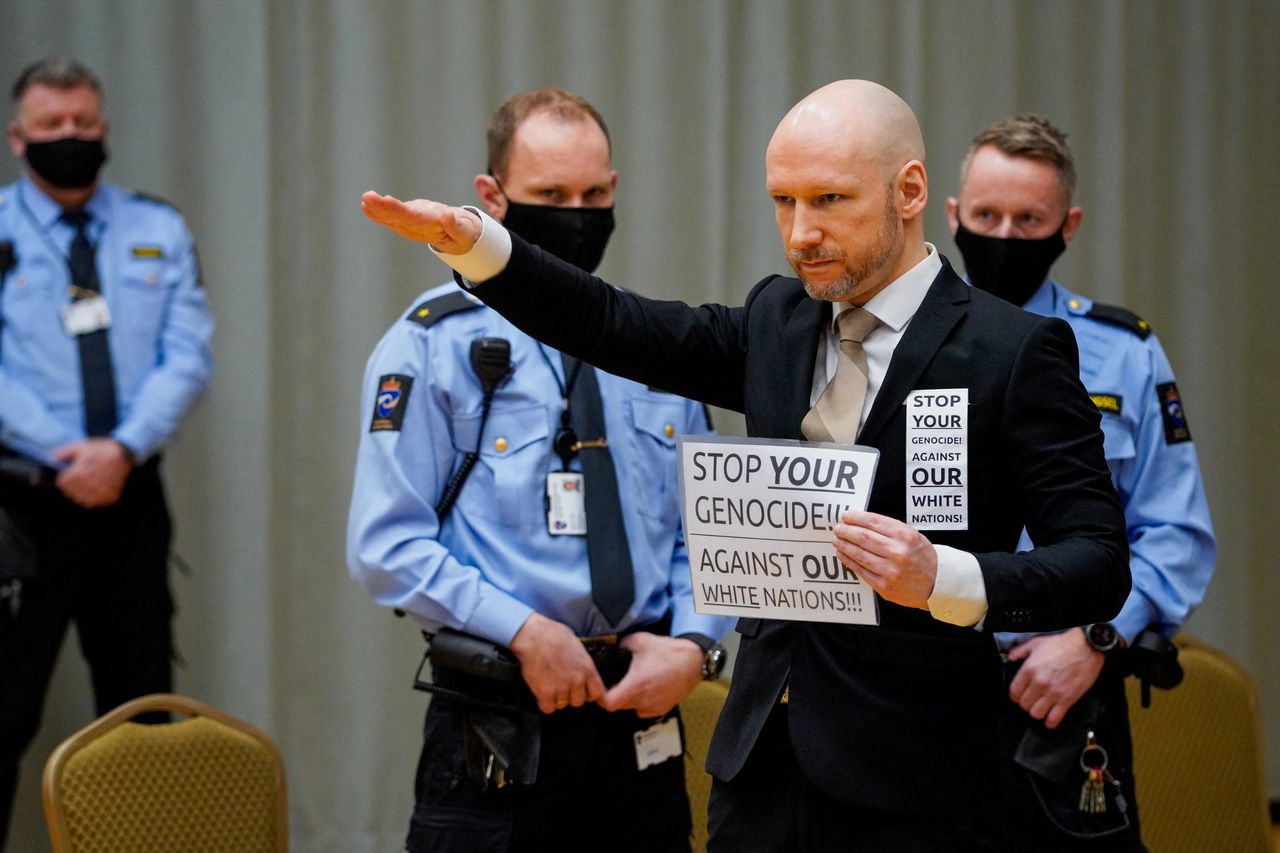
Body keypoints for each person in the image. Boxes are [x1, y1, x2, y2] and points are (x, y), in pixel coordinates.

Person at [360, 78, 1131, 851]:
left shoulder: (1012, 350)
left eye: (829, 199)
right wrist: (478, 246)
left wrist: (949, 579)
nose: (801, 233)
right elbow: (612, 323)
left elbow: (1097, 561)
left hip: (921, 782)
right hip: (761, 771)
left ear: (910, 190)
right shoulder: (778, 319)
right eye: (783, 201)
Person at [346, 88, 732, 853]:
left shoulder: (652, 348)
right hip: (499, 723)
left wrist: (695, 642)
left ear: (615, 192)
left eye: (594, 195)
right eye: (551, 196)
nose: (576, 213)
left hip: (639, 720)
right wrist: (522, 630)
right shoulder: (430, 346)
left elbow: (706, 530)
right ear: (492, 196)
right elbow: (385, 545)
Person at [946, 114, 1216, 851]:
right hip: (920, 696)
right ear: (952, 217)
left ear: (1068, 226)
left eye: (1027, 219)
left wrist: (1099, 635)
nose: (1003, 235)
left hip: (1064, 697)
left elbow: (1176, 533)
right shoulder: (900, 343)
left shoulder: (1122, 354)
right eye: (986, 216)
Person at [0, 56, 213, 847]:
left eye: (83, 124)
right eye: (51, 126)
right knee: (5, 713)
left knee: (141, 718)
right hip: (22, 508)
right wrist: (69, 453)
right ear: (18, 138)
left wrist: (118, 451)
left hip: (128, 498)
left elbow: (187, 355)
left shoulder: (155, 227)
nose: (69, 137)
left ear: (105, 130)